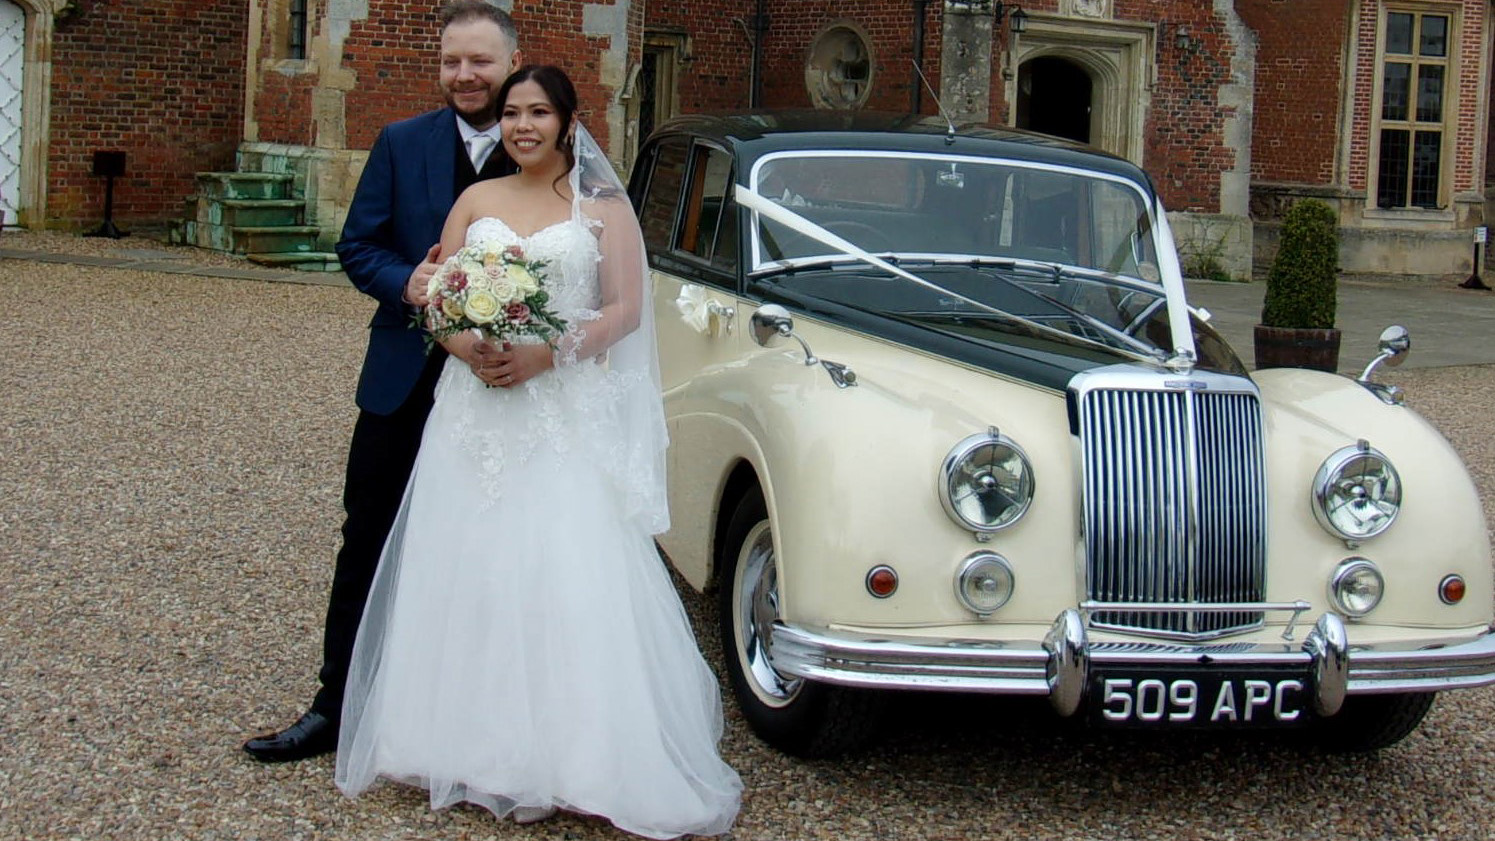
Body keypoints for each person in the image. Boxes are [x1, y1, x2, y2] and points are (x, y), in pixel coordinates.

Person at [332, 65, 742, 838]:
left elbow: (623, 309)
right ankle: (458, 742)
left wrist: (546, 354)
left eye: (539, 113)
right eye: (513, 112)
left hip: (559, 406)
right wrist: (468, 348)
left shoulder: (601, 208)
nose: (523, 126)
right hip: (473, 409)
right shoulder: (475, 201)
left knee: (561, 563)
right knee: (469, 565)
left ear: (566, 122)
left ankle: (577, 755)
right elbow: (439, 293)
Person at [243, 0, 523, 763]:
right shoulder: (401, 143)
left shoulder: (549, 151)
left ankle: (477, 720)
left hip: (509, 390)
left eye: (480, 62)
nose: (464, 77)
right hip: (405, 377)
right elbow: (358, 244)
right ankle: (336, 704)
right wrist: (408, 283)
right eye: (451, 62)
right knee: (365, 537)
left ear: (510, 64)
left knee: (498, 549)